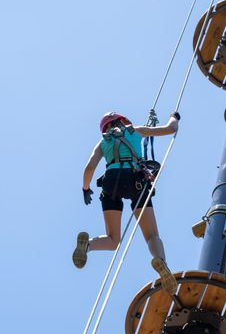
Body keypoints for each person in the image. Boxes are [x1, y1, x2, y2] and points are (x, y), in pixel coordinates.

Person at [72, 111, 180, 295]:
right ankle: (161, 261)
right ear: (122, 120)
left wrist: (85, 189)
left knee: (113, 240)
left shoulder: (103, 142)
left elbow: (89, 168)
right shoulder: (135, 131)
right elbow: (170, 129)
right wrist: (174, 117)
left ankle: (87, 245)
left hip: (111, 181)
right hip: (134, 179)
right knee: (152, 235)